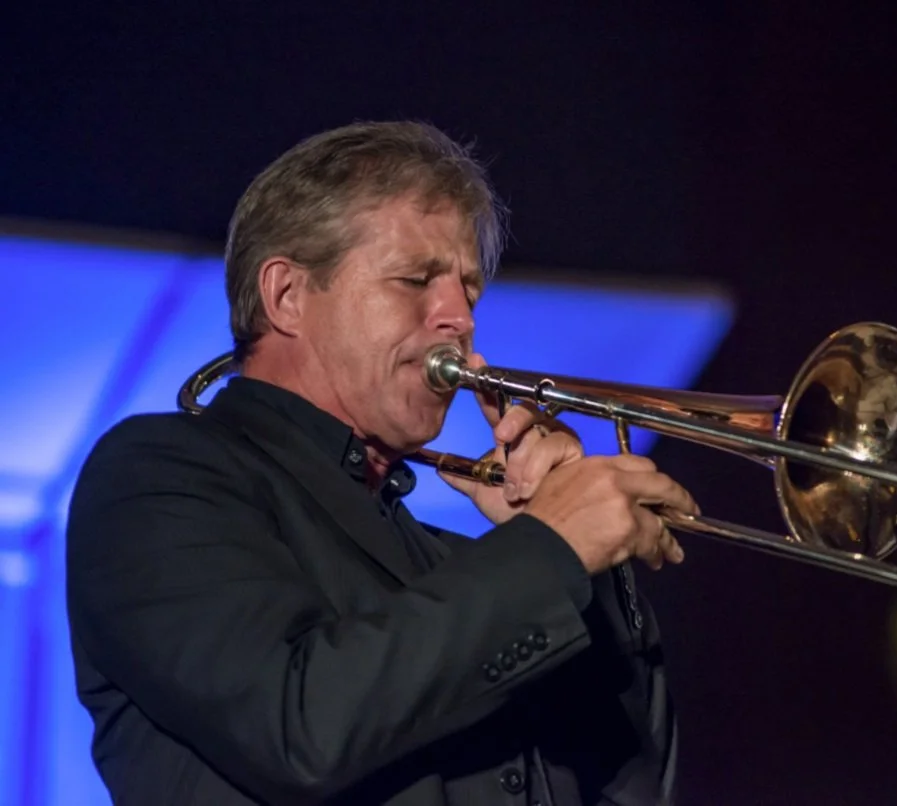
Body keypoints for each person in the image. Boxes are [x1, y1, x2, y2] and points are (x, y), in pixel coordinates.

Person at [65, 120, 697, 805]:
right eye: (414, 280)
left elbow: (631, 788)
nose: (458, 316)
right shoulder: (159, 475)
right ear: (286, 296)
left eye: (469, 291)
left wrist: (590, 575)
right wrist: (550, 550)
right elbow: (296, 726)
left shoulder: (460, 568)